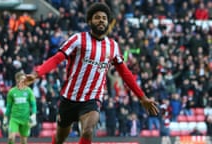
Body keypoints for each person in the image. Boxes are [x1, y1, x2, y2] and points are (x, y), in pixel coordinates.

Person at [23, 2, 159, 144]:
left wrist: (142, 97)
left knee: (88, 130)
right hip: (69, 97)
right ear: (89, 21)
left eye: (104, 18)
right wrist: (36, 74)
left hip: (92, 98)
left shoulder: (113, 46)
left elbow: (125, 73)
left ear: (108, 22)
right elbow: (57, 59)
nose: (101, 20)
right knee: (59, 138)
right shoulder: (78, 39)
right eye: (97, 17)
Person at [3, 71, 37, 144]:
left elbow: (33, 104)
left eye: (24, 79)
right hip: (14, 118)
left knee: (24, 142)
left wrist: (34, 115)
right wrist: (5, 118)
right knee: (11, 138)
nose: (24, 80)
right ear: (17, 80)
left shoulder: (29, 91)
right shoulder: (11, 92)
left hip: (25, 119)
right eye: (22, 79)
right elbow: (8, 107)